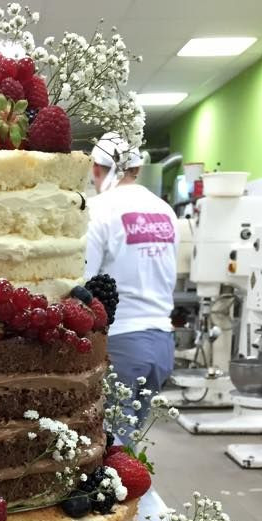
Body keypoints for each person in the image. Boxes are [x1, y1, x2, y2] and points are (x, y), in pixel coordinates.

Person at [86, 132, 179, 426]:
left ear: (96, 169)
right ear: (137, 169)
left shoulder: (100, 209)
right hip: (162, 342)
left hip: (121, 342)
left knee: (111, 444)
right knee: (129, 438)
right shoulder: (165, 210)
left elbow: (83, 282)